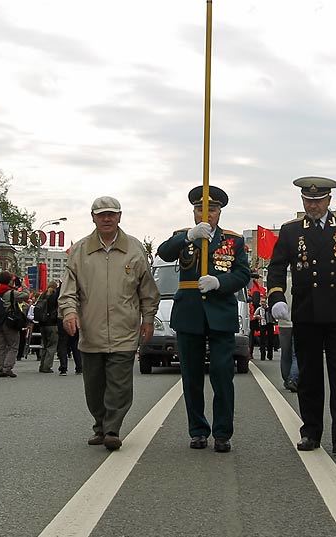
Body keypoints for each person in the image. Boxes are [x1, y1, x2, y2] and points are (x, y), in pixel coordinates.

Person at [265, 176, 336, 454]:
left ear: (329, 200)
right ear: (302, 201)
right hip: (307, 312)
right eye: (308, 200)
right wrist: (276, 297)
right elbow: (276, 269)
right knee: (310, 376)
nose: (313, 205)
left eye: (318, 200)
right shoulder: (291, 232)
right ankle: (311, 432)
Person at [157, 185, 251, 453]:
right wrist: (189, 236)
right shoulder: (184, 237)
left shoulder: (233, 242)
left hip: (220, 313)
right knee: (192, 377)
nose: (206, 215)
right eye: (201, 209)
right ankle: (197, 430)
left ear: (219, 212)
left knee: (222, 377)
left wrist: (219, 282)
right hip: (189, 313)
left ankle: (222, 433)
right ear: (194, 211)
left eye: (212, 210)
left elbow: (243, 274)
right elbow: (163, 253)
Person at [61, 196, 157, 451]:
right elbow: (68, 291)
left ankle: (112, 429)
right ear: (92, 217)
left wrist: (148, 319)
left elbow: (147, 290)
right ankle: (100, 425)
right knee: (94, 386)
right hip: (90, 332)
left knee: (119, 384)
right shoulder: (80, 251)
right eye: (101, 214)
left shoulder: (135, 249)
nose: (106, 219)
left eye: (111, 214)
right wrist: (70, 313)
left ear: (119, 217)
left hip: (124, 330)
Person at [0, 276, 26, 378]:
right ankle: (7, 368)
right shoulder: (10, 293)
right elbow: (26, 295)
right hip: (9, 321)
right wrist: (23, 285)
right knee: (13, 345)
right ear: (10, 281)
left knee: (0, 346)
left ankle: (0, 368)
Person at [34, 281, 60, 374]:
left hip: (42, 323)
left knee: (45, 345)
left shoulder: (42, 296)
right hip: (52, 324)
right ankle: (47, 366)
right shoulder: (54, 297)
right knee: (52, 346)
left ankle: (42, 365)